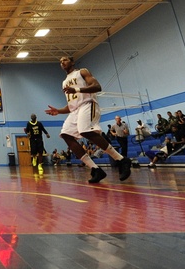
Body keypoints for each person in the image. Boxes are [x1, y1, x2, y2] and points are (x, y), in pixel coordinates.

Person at [46, 56, 132, 184]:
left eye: (65, 60)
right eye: (60, 61)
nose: (62, 62)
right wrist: (58, 111)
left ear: (72, 62)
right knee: (66, 135)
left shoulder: (82, 72)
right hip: (75, 110)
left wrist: (76, 89)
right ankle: (95, 169)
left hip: (88, 104)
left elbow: (97, 86)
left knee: (85, 131)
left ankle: (121, 159)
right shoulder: (64, 83)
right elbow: (71, 105)